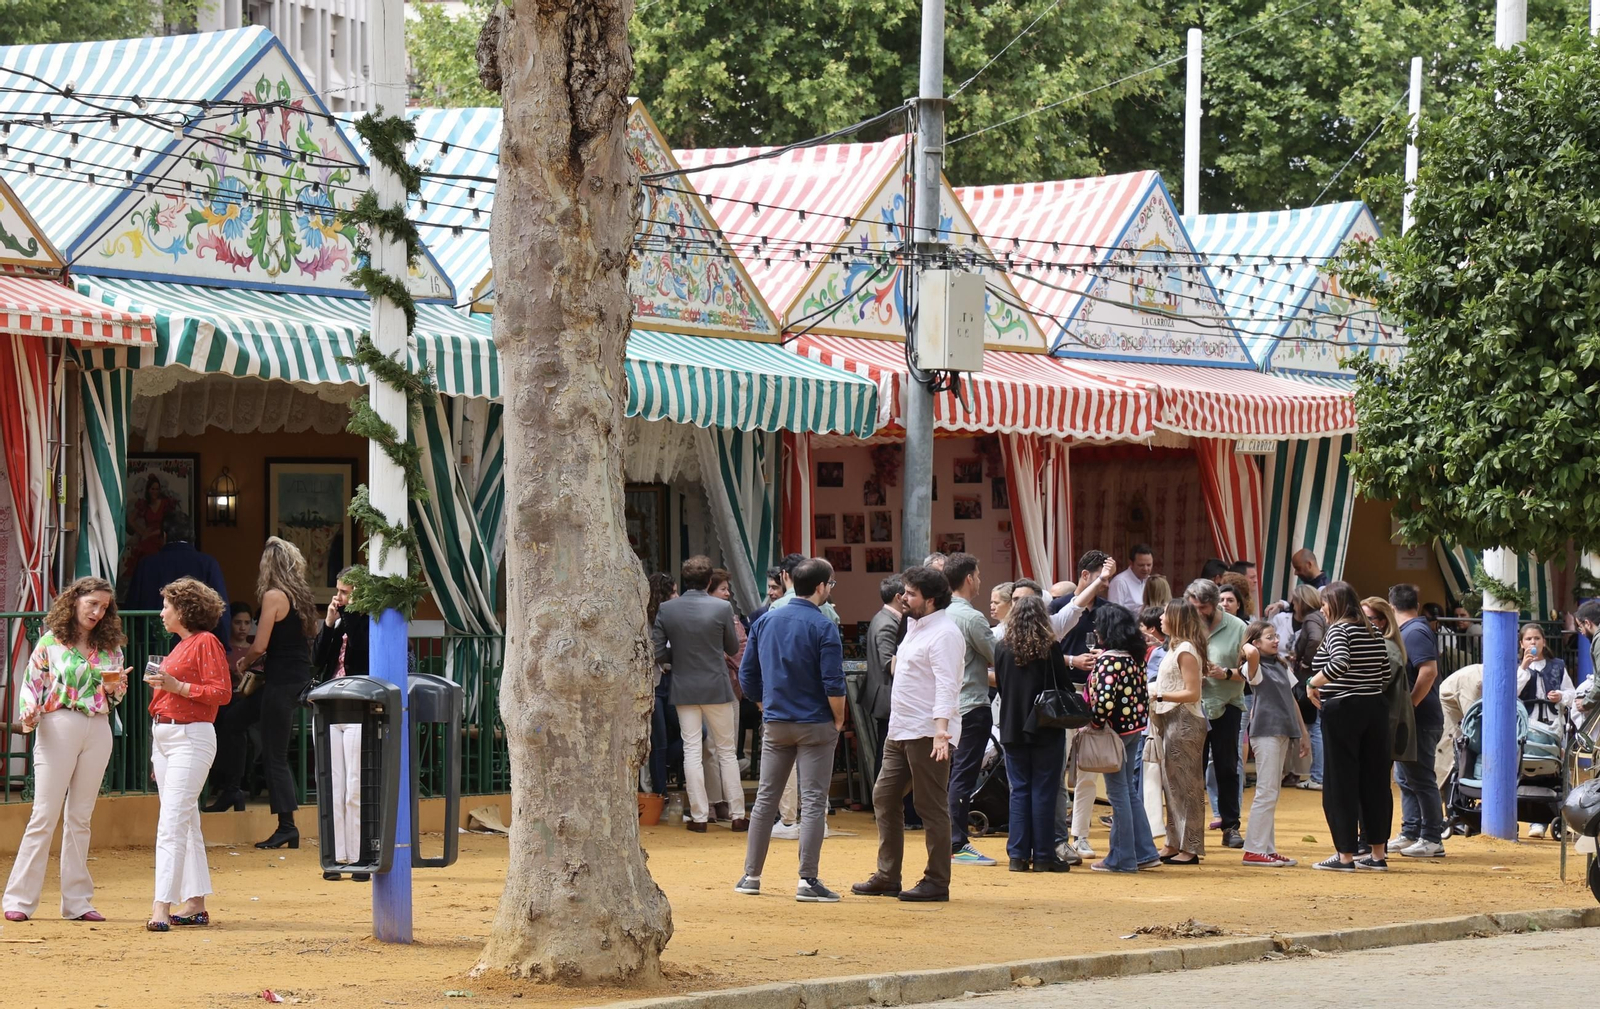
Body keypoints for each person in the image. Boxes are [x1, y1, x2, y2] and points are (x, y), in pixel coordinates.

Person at [3, 578, 131, 922]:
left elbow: (115, 696)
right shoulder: (50, 641)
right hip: (58, 723)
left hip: (99, 725)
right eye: (92, 603)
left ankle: (77, 901)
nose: (97, 611)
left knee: (80, 817)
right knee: (44, 813)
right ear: (75, 601)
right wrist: (28, 711)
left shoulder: (110, 646)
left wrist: (119, 687)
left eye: (104, 607)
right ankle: (19, 898)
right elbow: (32, 686)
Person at [735, 558, 846, 902]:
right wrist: (839, 719)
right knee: (812, 801)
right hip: (815, 721)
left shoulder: (766, 620)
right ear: (822, 586)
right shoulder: (824, 625)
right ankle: (807, 879)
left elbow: (747, 676)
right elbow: (833, 682)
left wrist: (762, 704)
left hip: (777, 720)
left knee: (766, 798)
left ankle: (751, 875)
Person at [853, 565, 963, 903]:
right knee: (884, 797)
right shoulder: (913, 625)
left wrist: (941, 732)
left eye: (910, 593)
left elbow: (947, 684)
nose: (903, 597)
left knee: (929, 806)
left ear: (930, 600)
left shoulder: (945, 633)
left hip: (928, 732)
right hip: (901, 728)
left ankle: (936, 881)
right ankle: (888, 876)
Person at [144, 577, 233, 931]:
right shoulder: (181, 645)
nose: (163, 612)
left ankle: (161, 905)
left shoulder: (205, 641)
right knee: (185, 821)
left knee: (172, 823)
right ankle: (195, 901)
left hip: (189, 735)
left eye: (168, 605)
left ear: (183, 610)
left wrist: (176, 686)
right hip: (168, 735)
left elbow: (221, 692)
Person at [233, 536, 318, 850]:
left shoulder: (273, 596)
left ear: (268, 566)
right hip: (294, 677)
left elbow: (260, 644)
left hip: (280, 680)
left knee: (275, 755)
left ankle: (287, 826)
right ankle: (232, 789)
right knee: (234, 720)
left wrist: (245, 661)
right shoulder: (301, 597)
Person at [653, 555, 746, 833]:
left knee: (691, 751)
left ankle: (699, 816)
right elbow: (731, 648)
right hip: (716, 685)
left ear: (685, 581)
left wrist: (677, 656)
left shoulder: (668, 610)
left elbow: (658, 651)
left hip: (684, 685)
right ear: (708, 582)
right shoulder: (721, 607)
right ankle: (738, 814)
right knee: (727, 751)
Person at [1308, 581, 1394, 871]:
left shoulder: (1339, 629)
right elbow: (1384, 670)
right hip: (1375, 708)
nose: (1322, 608)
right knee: (1375, 781)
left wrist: (1312, 683)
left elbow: (1340, 662)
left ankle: (1345, 855)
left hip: (1343, 708)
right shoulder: (1373, 630)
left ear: (1336, 604)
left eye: (1324, 603)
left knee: (1339, 782)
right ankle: (1377, 854)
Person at [993, 595, 1072, 872]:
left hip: (1012, 726)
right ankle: (1043, 856)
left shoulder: (1002, 648)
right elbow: (1064, 687)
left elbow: (1002, 687)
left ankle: (1017, 855)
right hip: (1045, 726)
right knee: (1044, 791)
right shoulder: (1050, 647)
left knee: (1019, 791)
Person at [1085, 605, 1160, 872]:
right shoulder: (1134, 656)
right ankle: (1144, 852)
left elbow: (1103, 703)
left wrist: (1093, 724)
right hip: (1133, 729)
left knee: (1119, 795)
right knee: (1127, 792)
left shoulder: (1109, 660)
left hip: (1114, 732)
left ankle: (1123, 857)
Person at [311, 571, 371, 879]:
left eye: (345, 593)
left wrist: (346, 615)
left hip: (358, 706)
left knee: (354, 787)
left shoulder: (368, 621)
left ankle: (359, 857)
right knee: (333, 786)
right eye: (338, 591)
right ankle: (336, 856)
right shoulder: (340, 619)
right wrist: (330, 621)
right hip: (332, 704)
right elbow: (319, 658)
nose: (339, 597)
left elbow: (361, 650)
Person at [1239, 621, 1309, 867]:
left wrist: (1303, 733)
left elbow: (1292, 699)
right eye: (1270, 637)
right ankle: (1254, 850)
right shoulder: (1251, 667)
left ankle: (1266, 847)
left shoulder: (1280, 664)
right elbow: (1250, 654)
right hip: (1265, 731)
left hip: (1282, 730)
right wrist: (1249, 645)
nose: (1276, 640)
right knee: (1266, 791)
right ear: (1256, 643)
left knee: (1271, 791)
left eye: (1275, 636)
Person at [944, 553, 999, 867]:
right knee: (964, 775)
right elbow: (997, 657)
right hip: (971, 704)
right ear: (968, 578)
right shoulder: (972, 618)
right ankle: (958, 842)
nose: (979, 580)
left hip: (946, 706)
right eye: (977, 575)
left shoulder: (940, 614)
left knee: (950, 776)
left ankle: (949, 838)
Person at [1187, 578, 1248, 850]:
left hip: (1226, 704)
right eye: (1194, 607)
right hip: (1192, 706)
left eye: (1203, 607)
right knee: (1192, 770)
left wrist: (1224, 673)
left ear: (1213, 604)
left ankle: (1230, 826)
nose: (1198, 612)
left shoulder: (1239, 628)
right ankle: (1190, 829)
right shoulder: (1186, 624)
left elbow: (1251, 674)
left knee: (1226, 767)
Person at [1387, 585, 1446, 858]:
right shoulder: (1413, 630)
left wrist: (1410, 704)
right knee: (1407, 777)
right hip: (1416, 718)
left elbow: (1429, 671)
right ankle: (1411, 831)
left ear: (1391, 606)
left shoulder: (1415, 632)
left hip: (1421, 719)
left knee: (1421, 778)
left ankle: (1432, 837)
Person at [1149, 599, 1209, 865]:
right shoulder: (1175, 647)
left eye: (1165, 614)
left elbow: (1192, 692)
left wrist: (1159, 694)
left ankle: (1191, 846)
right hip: (1171, 718)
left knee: (1187, 786)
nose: (1161, 618)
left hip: (1184, 720)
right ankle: (1174, 841)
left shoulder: (1185, 649)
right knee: (1172, 785)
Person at [124, 510, 230, 644]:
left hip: (153, 646)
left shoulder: (147, 564)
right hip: (197, 647)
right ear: (192, 536)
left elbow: (132, 608)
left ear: (164, 535)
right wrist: (223, 646)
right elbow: (220, 610)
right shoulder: (208, 564)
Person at [205, 602, 262, 811]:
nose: (243, 627)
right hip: (224, 701)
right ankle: (226, 784)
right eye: (238, 622)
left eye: (247, 623)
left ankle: (233, 785)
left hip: (247, 702)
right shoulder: (223, 649)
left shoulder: (256, 650)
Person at [1290, 584, 1329, 792]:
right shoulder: (1319, 617)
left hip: (1311, 678)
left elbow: (1314, 639)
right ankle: (1319, 775)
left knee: (1314, 728)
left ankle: (1317, 775)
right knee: (1317, 727)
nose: (1292, 605)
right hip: (1319, 676)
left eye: (1295, 601)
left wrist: (1307, 663)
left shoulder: (1311, 619)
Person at [646, 572, 680, 797]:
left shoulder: (674, 619)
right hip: (654, 684)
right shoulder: (648, 621)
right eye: (674, 592)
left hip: (672, 682)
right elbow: (653, 653)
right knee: (659, 741)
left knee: (696, 733)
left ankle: (662, 766)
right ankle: (660, 795)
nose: (678, 596)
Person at [1138, 605, 1168, 839]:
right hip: (1147, 720)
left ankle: (1144, 821)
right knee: (1144, 772)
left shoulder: (1158, 653)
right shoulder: (1151, 651)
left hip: (1151, 721)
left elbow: (1152, 685)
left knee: (1145, 771)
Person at [1109, 545, 1154, 613]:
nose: (1145, 569)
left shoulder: (1150, 580)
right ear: (1131, 563)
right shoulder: (1120, 582)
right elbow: (1114, 614)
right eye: (1141, 565)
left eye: (1149, 565)